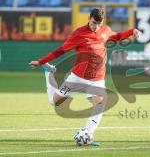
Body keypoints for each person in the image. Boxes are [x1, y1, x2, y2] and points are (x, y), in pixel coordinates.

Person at [29, 8, 140, 144]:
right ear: (89, 18)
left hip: (97, 79)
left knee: (100, 104)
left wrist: (131, 31)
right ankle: (49, 73)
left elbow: (116, 36)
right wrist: (41, 62)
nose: (96, 26)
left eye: (99, 24)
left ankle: (87, 134)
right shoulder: (79, 34)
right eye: (94, 23)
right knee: (54, 102)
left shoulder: (105, 30)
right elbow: (60, 50)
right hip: (78, 78)